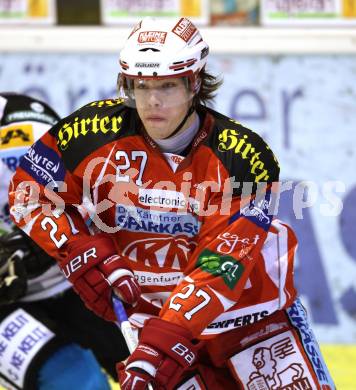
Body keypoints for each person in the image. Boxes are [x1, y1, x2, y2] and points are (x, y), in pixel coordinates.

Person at [8, 18, 335, 389]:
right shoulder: (86, 134)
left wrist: (166, 335)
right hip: (153, 327)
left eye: (166, 85)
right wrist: (77, 247)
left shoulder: (242, 156)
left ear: (194, 82)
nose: (152, 102)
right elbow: (28, 191)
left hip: (254, 320)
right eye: (140, 86)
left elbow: (220, 264)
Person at [0, 93, 128, 390]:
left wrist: (37, 243)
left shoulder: (22, 136)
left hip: (68, 276)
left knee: (158, 371)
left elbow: (94, 197)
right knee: (78, 383)